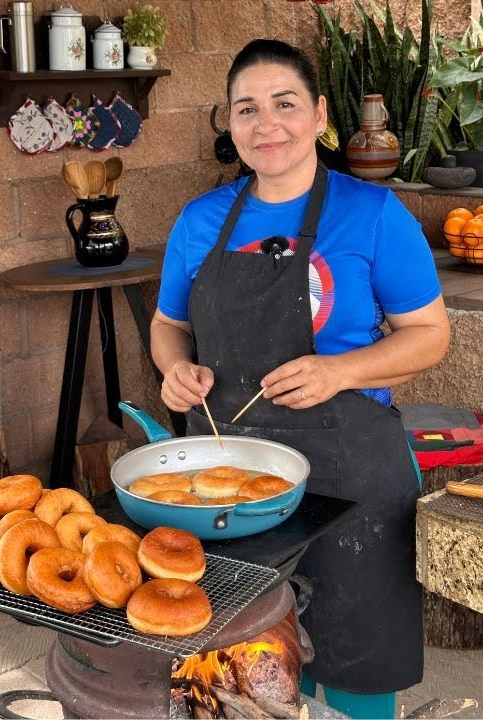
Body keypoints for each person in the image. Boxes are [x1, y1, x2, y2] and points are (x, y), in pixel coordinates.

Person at [150, 39, 450, 718]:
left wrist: (338, 370)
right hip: (229, 484)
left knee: (353, 679)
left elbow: (431, 335)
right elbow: (168, 325)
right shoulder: (201, 222)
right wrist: (174, 368)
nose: (267, 124)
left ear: (318, 115)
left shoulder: (372, 214)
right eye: (246, 109)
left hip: (352, 480)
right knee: (235, 676)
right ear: (230, 124)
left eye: (284, 104)